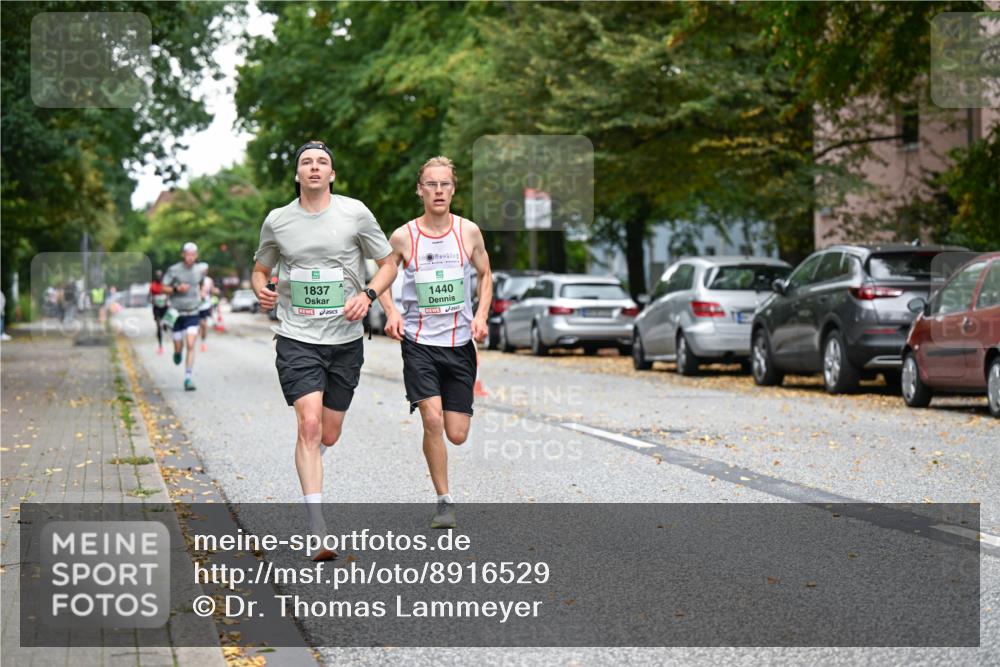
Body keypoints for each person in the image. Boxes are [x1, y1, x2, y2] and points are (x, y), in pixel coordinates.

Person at [252, 140, 397, 560]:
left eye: (322, 162)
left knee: (328, 433)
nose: (314, 168)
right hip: (297, 337)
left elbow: (388, 262)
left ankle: (312, 461)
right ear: (297, 174)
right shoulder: (278, 221)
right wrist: (262, 291)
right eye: (306, 162)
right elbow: (261, 270)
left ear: (332, 174)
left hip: (345, 341)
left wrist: (368, 295)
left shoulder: (354, 213)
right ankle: (317, 529)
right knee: (310, 426)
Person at [380, 156, 492, 529]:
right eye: (431, 184)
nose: (438, 190)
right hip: (419, 343)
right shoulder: (404, 236)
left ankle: (445, 485)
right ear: (420, 190)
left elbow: (485, 274)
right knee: (432, 420)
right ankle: (444, 502)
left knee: (457, 434)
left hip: (460, 344)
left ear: (453, 189)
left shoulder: (468, 232)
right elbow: (381, 276)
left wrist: (481, 316)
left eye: (445, 184)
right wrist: (391, 311)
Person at [162, 243, 207, 391]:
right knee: (179, 346)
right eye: (188, 254)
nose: (190, 257)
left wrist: (202, 293)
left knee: (191, 344)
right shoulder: (174, 270)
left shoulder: (200, 270)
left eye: (193, 254)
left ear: (196, 255)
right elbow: (163, 287)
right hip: (176, 313)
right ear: (183, 255)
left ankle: (188, 378)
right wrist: (176, 288)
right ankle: (176, 352)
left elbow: (201, 284)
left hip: (193, 312)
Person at [149, 270, 167, 354]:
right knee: (158, 326)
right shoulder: (152, 285)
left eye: (160, 275)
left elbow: (169, 294)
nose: (159, 277)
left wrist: (167, 300)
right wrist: (153, 301)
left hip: (165, 307)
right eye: (157, 275)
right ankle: (160, 346)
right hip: (157, 308)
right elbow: (150, 297)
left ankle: (165, 324)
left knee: (165, 323)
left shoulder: (165, 284)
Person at [197, 269, 216, 352]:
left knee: (204, 324)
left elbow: (212, 291)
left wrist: (215, 291)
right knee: (199, 325)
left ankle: (203, 342)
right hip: (196, 306)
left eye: (205, 271)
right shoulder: (195, 279)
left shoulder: (209, 280)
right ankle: (197, 335)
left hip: (205, 305)